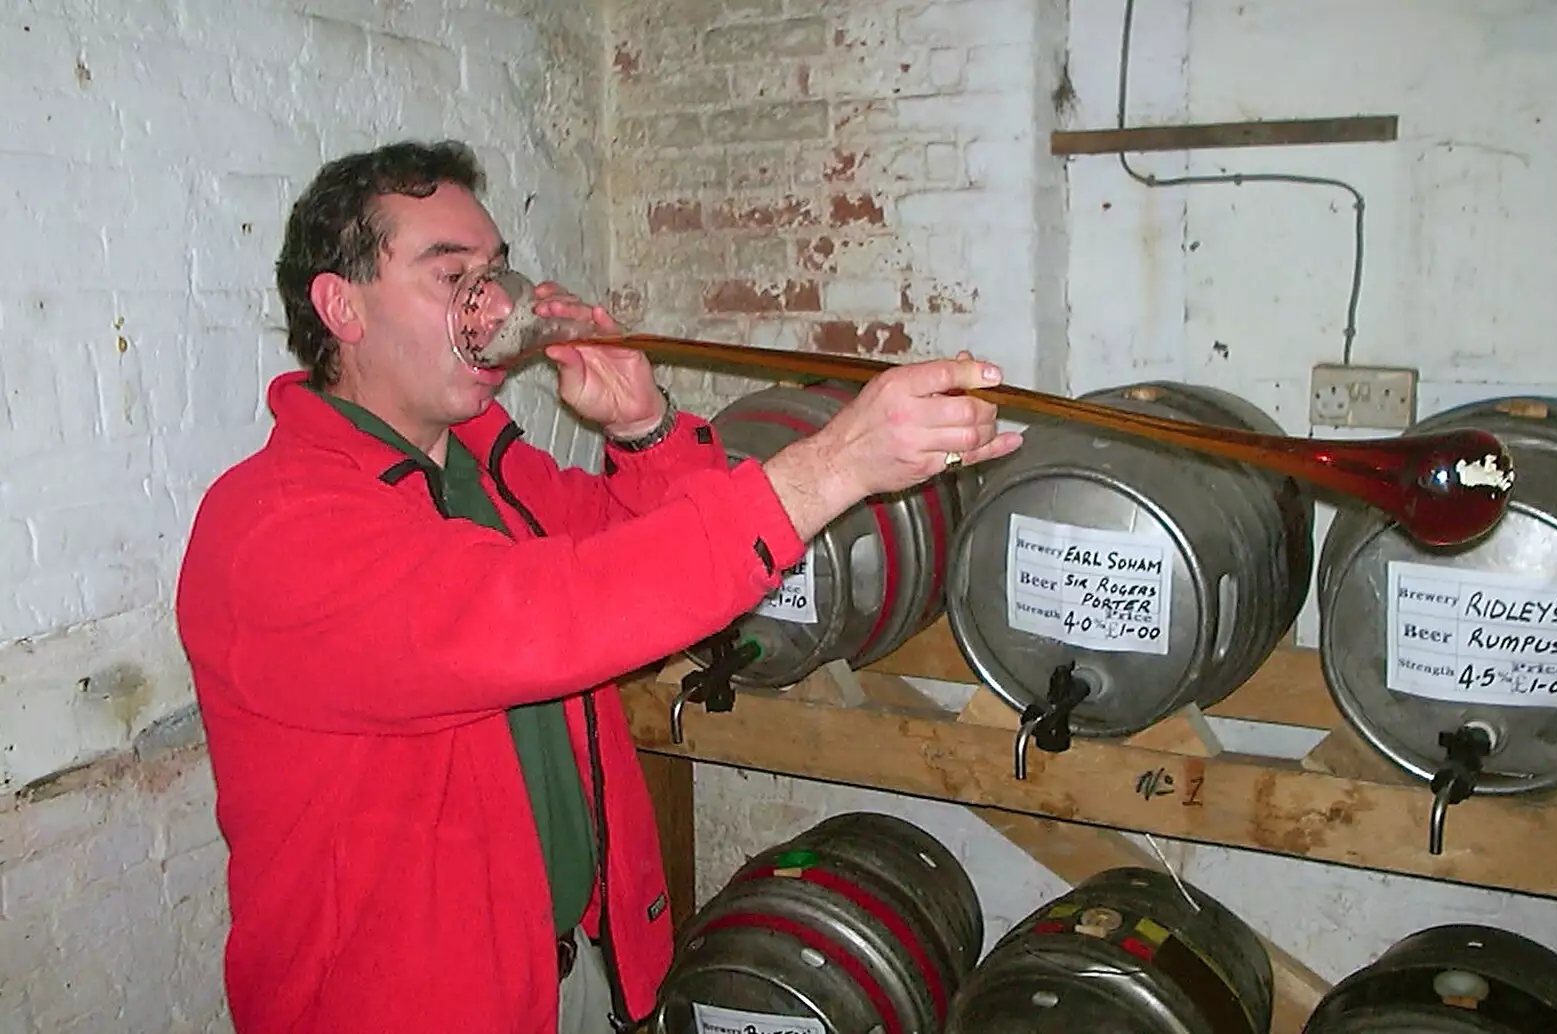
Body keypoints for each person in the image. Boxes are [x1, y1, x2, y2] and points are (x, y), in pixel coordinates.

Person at [174, 139, 1022, 1034]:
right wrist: (837, 464)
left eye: (495, 270)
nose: (493, 304)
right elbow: (544, 616)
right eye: (448, 272)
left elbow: (656, 578)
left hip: (569, 971)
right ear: (340, 305)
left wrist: (646, 429)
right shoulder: (272, 528)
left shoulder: (483, 470)